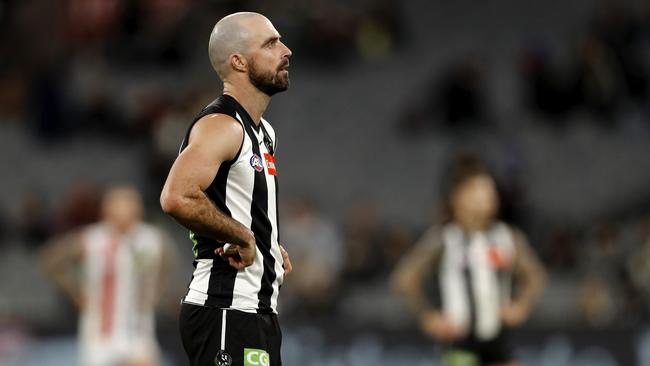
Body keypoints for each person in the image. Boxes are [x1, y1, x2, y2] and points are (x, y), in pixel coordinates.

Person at [159, 12, 293, 366]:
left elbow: (234, 200)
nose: (286, 50)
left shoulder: (264, 132)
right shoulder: (222, 125)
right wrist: (245, 237)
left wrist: (268, 244)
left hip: (255, 313)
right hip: (224, 309)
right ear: (238, 61)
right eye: (270, 43)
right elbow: (177, 197)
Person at [391, 156, 546, 366]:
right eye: (476, 191)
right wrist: (427, 316)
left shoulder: (506, 238)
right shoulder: (444, 239)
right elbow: (405, 278)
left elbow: (534, 275)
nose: (485, 197)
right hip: (459, 343)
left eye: (489, 191)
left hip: (497, 341)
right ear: (457, 197)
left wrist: (521, 305)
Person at [40, 186, 171, 366]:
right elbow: (51, 259)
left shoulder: (151, 239)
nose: (126, 211)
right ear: (106, 211)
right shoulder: (92, 239)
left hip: (138, 330)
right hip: (101, 332)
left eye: (130, 205)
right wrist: (76, 293)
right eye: (120, 205)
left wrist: (155, 295)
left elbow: (167, 263)